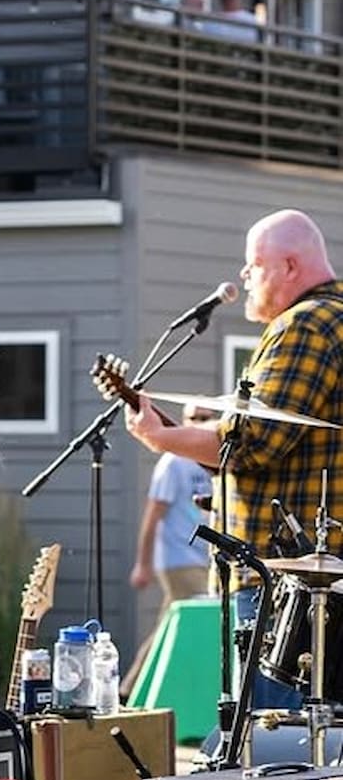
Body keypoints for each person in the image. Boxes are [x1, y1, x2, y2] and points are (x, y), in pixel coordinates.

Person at [125, 209, 343, 703]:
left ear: (290, 266)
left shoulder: (305, 325)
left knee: (273, 736)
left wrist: (162, 438)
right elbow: (279, 444)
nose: (244, 276)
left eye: (255, 264)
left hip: (284, 580)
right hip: (317, 576)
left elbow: (254, 441)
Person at [122, 406, 214, 697]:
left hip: (206, 558)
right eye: (193, 418)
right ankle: (132, 689)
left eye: (204, 418)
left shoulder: (212, 459)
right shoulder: (174, 462)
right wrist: (143, 563)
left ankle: (133, 689)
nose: (198, 423)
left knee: (170, 624)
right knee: (195, 621)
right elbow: (153, 515)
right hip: (179, 557)